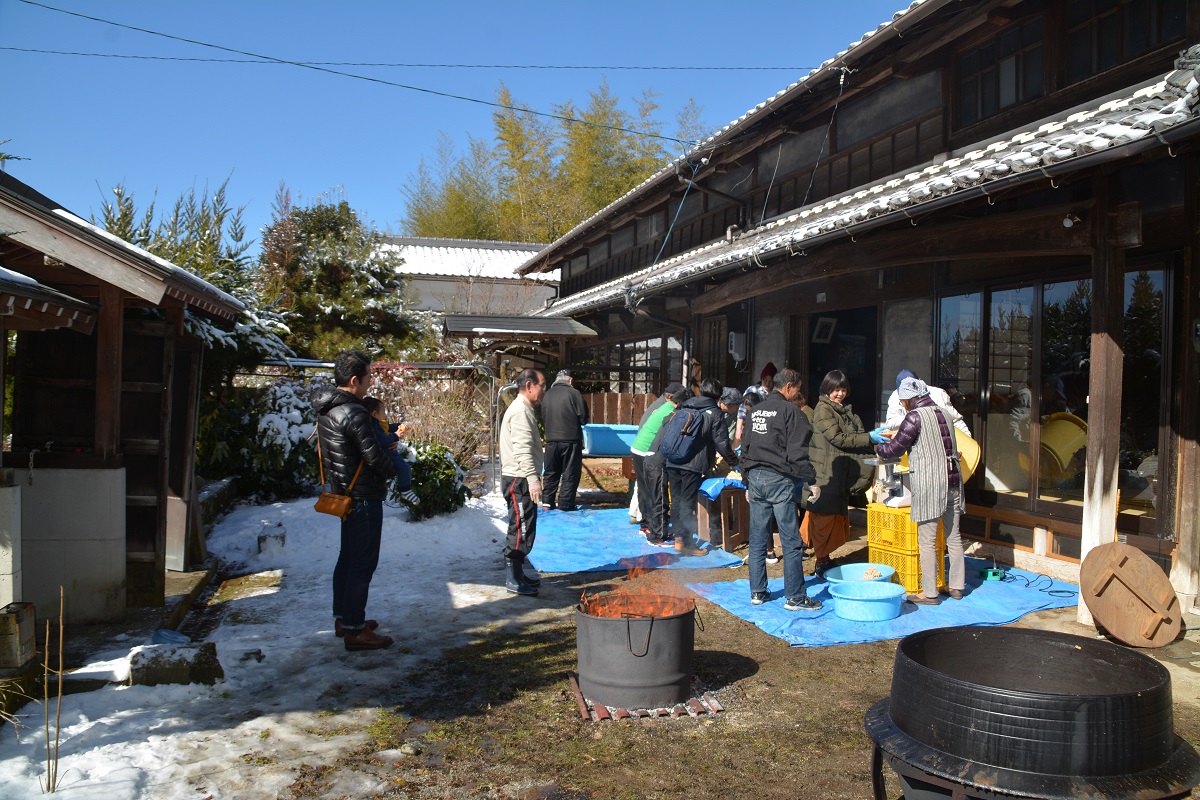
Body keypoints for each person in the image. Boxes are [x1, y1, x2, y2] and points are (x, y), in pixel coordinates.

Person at [312, 350, 398, 651]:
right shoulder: (354, 412)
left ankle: (344, 618)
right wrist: (394, 469)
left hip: (344, 494)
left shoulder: (327, 409)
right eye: (368, 376)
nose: (370, 382)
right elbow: (373, 455)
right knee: (362, 562)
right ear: (354, 380)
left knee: (348, 558)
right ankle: (354, 629)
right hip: (362, 496)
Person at [873, 377, 966, 606]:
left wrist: (878, 447)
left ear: (908, 399)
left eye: (903, 401)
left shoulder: (914, 417)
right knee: (953, 537)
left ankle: (930, 594)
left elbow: (896, 448)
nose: (903, 405)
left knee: (927, 541)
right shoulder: (945, 412)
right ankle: (956, 587)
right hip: (953, 481)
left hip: (931, 484)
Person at [740, 367, 822, 611]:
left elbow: (745, 447)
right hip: (778, 479)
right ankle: (795, 596)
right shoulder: (790, 412)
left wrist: (746, 480)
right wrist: (811, 481)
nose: (797, 394)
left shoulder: (755, 411)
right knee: (790, 539)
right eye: (797, 389)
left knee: (757, 536)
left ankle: (758, 592)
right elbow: (798, 453)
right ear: (788, 387)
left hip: (755, 477)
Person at [805, 370, 876, 575]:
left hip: (837, 470)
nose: (840, 393)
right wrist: (869, 437)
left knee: (832, 516)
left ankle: (824, 558)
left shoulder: (843, 410)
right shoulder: (823, 410)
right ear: (827, 389)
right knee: (823, 517)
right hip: (825, 471)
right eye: (836, 389)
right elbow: (837, 438)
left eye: (843, 389)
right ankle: (821, 561)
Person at [664, 377, 738, 557]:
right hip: (692, 464)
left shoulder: (686, 405)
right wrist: (735, 461)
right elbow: (722, 443)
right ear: (718, 394)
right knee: (687, 503)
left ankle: (679, 540)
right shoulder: (714, 413)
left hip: (673, 460)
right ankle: (689, 543)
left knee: (676, 500)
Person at [499, 368, 547, 597]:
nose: (544, 390)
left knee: (525, 525)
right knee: (520, 527)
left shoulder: (524, 408)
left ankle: (518, 573)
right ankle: (513, 578)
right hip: (519, 478)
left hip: (521, 477)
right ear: (529, 385)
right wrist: (533, 479)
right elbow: (522, 449)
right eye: (542, 385)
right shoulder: (520, 411)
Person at [631, 387, 688, 547]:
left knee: (646, 490)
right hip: (648, 451)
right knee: (657, 494)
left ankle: (647, 525)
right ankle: (657, 533)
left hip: (639, 447)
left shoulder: (664, 406)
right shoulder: (672, 413)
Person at [539, 369, 589, 512]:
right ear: (570, 380)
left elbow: (543, 415)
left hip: (551, 439)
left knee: (551, 471)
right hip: (570, 439)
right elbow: (583, 418)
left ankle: (547, 502)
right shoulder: (574, 393)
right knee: (570, 473)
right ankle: (565, 504)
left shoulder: (547, 394)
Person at [360, 396, 420, 505]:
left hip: (387, 451)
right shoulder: (373, 426)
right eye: (383, 412)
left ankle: (405, 489)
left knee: (404, 467)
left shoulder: (378, 423)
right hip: (386, 452)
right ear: (374, 414)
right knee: (404, 468)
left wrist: (398, 426)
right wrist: (395, 436)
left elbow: (388, 427)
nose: (385, 415)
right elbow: (382, 440)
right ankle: (405, 490)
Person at [885, 369, 970, 435]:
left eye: (912, 390)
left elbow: (955, 421)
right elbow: (890, 424)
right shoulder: (895, 397)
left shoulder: (938, 394)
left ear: (921, 382)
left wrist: (968, 445)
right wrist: (915, 418)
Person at [735, 362, 777, 445]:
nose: (767, 384)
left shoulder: (775, 393)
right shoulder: (753, 390)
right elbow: (742, 410)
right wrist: (738, 428)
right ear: (761, 379)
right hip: (750, 426)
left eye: (770, 381)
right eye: (765, 380)